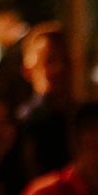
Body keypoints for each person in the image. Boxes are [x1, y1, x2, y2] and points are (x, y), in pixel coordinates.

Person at [18, 22, 76, 176]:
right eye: (50, 61)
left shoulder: (82, 117)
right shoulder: (26, 123)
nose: (60, 68)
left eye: (65, 60)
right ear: (28, 71)